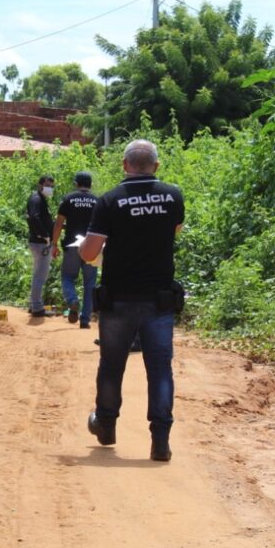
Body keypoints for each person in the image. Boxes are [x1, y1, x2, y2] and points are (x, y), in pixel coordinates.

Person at [79, 140, 184, 462]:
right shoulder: (173, 196)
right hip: (159, 300)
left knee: (112, 365)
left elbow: (89, 252)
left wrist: (99, 247)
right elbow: (174, 231)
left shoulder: (110, 200)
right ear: (156, 166)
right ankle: (161, 440)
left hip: (119, 299)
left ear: (125, 165)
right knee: (159, 369)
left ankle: (106, 426)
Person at [51, 171, 99, 328]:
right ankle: (85, 320)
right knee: (90, 283)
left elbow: (58, 223)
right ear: (90, 185)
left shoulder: (69, 199)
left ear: (76, 184)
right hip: (92, 247)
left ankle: (72, 301)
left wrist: (54, 244)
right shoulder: (97, 201)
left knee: (67, 277)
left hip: (72, 246)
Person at [25, 174, 56, 318]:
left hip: (40, 242)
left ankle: (34, 305)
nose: (50, 188)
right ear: (40, 185)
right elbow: (34, 218)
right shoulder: (36, 199)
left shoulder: (40, 199)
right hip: (40, 243)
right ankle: (37, 308)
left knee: (38, 274)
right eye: (47, 185)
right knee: (40, 276)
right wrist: (45, 235)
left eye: (51, 186)